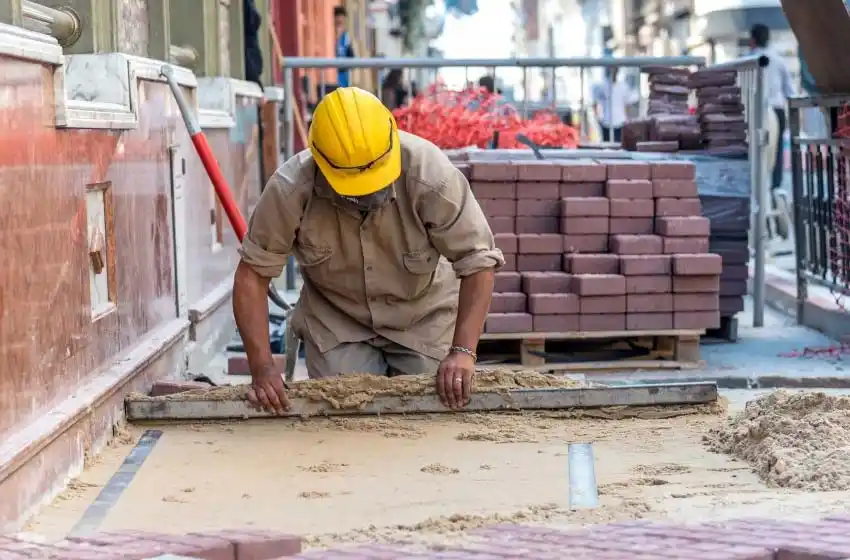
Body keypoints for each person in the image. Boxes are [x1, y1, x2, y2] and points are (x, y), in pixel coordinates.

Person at [233, 87, 504, 415]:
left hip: (421, 316)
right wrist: (262, 368)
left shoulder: (431, 176)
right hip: (337, 322)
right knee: (342, 412)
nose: (366, 195)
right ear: (321, 165)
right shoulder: (291, 190)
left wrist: (463, 351)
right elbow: (252, 276)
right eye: (353, 190)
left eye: (374, 182)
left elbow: (478, 262)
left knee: (432, 413)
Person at [750, 24, 795, 192]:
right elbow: (790, 91)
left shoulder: (747, 61)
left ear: (752, 40)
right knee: (776, 152)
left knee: (755, 150)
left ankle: (756, 186)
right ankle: (775, 187)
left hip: (756, 110)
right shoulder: (779, 60)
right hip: (777, 110)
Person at [591, 67, 639, 143]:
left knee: (620, 146)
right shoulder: (602, 86)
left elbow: (627, 105)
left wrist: (628, 120)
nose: (613, 72)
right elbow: (595, 103)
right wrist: (598, 119)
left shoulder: (623, 87)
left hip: (620, 122)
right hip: (606, 123)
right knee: (607, 147)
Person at [334, 5, 355, 88]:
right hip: (331, 74)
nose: (339, 20)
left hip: (343, 75)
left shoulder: (346, 37)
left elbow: (351, 55)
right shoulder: (330, 35)